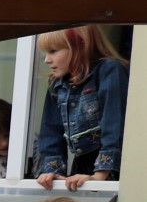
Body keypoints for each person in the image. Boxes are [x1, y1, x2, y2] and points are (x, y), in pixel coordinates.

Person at [35, 26, 129, 190]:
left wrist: (100, 175)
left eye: (53, 51)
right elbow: (51, 131)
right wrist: (53, 171)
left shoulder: (109, 70)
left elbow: (114, 125)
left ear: (80, 46)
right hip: (81, 167)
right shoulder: (56, 83)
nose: (47, 60)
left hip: (113, 167)